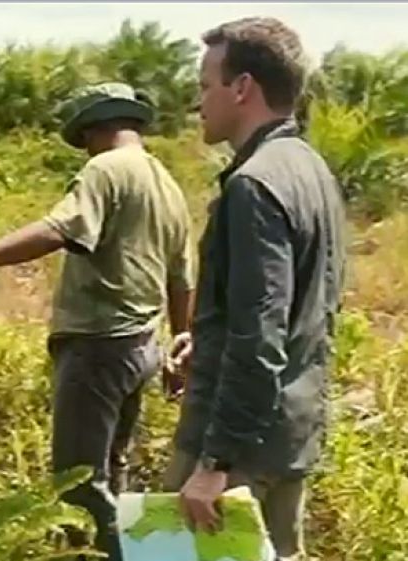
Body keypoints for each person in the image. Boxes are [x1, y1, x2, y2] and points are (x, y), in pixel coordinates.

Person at [0, 82, 195, 561]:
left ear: (94, 129)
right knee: (113, 468)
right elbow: (181, 278)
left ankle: (121, 555)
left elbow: (60, 228)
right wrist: (181, 339)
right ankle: (127, 551)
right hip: (143, 345)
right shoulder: (166, 184)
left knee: (77, 482)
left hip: (98, 345)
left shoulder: (105, 169)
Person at [164, 18, 347, 561]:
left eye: (204, 86)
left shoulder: (254, 184)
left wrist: (214, 463)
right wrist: (211, 336)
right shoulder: (311, 170)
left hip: (239, 449)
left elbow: (261, 333)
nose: (199, 102)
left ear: (241, 88)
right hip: (289, 433)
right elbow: (302, 306)